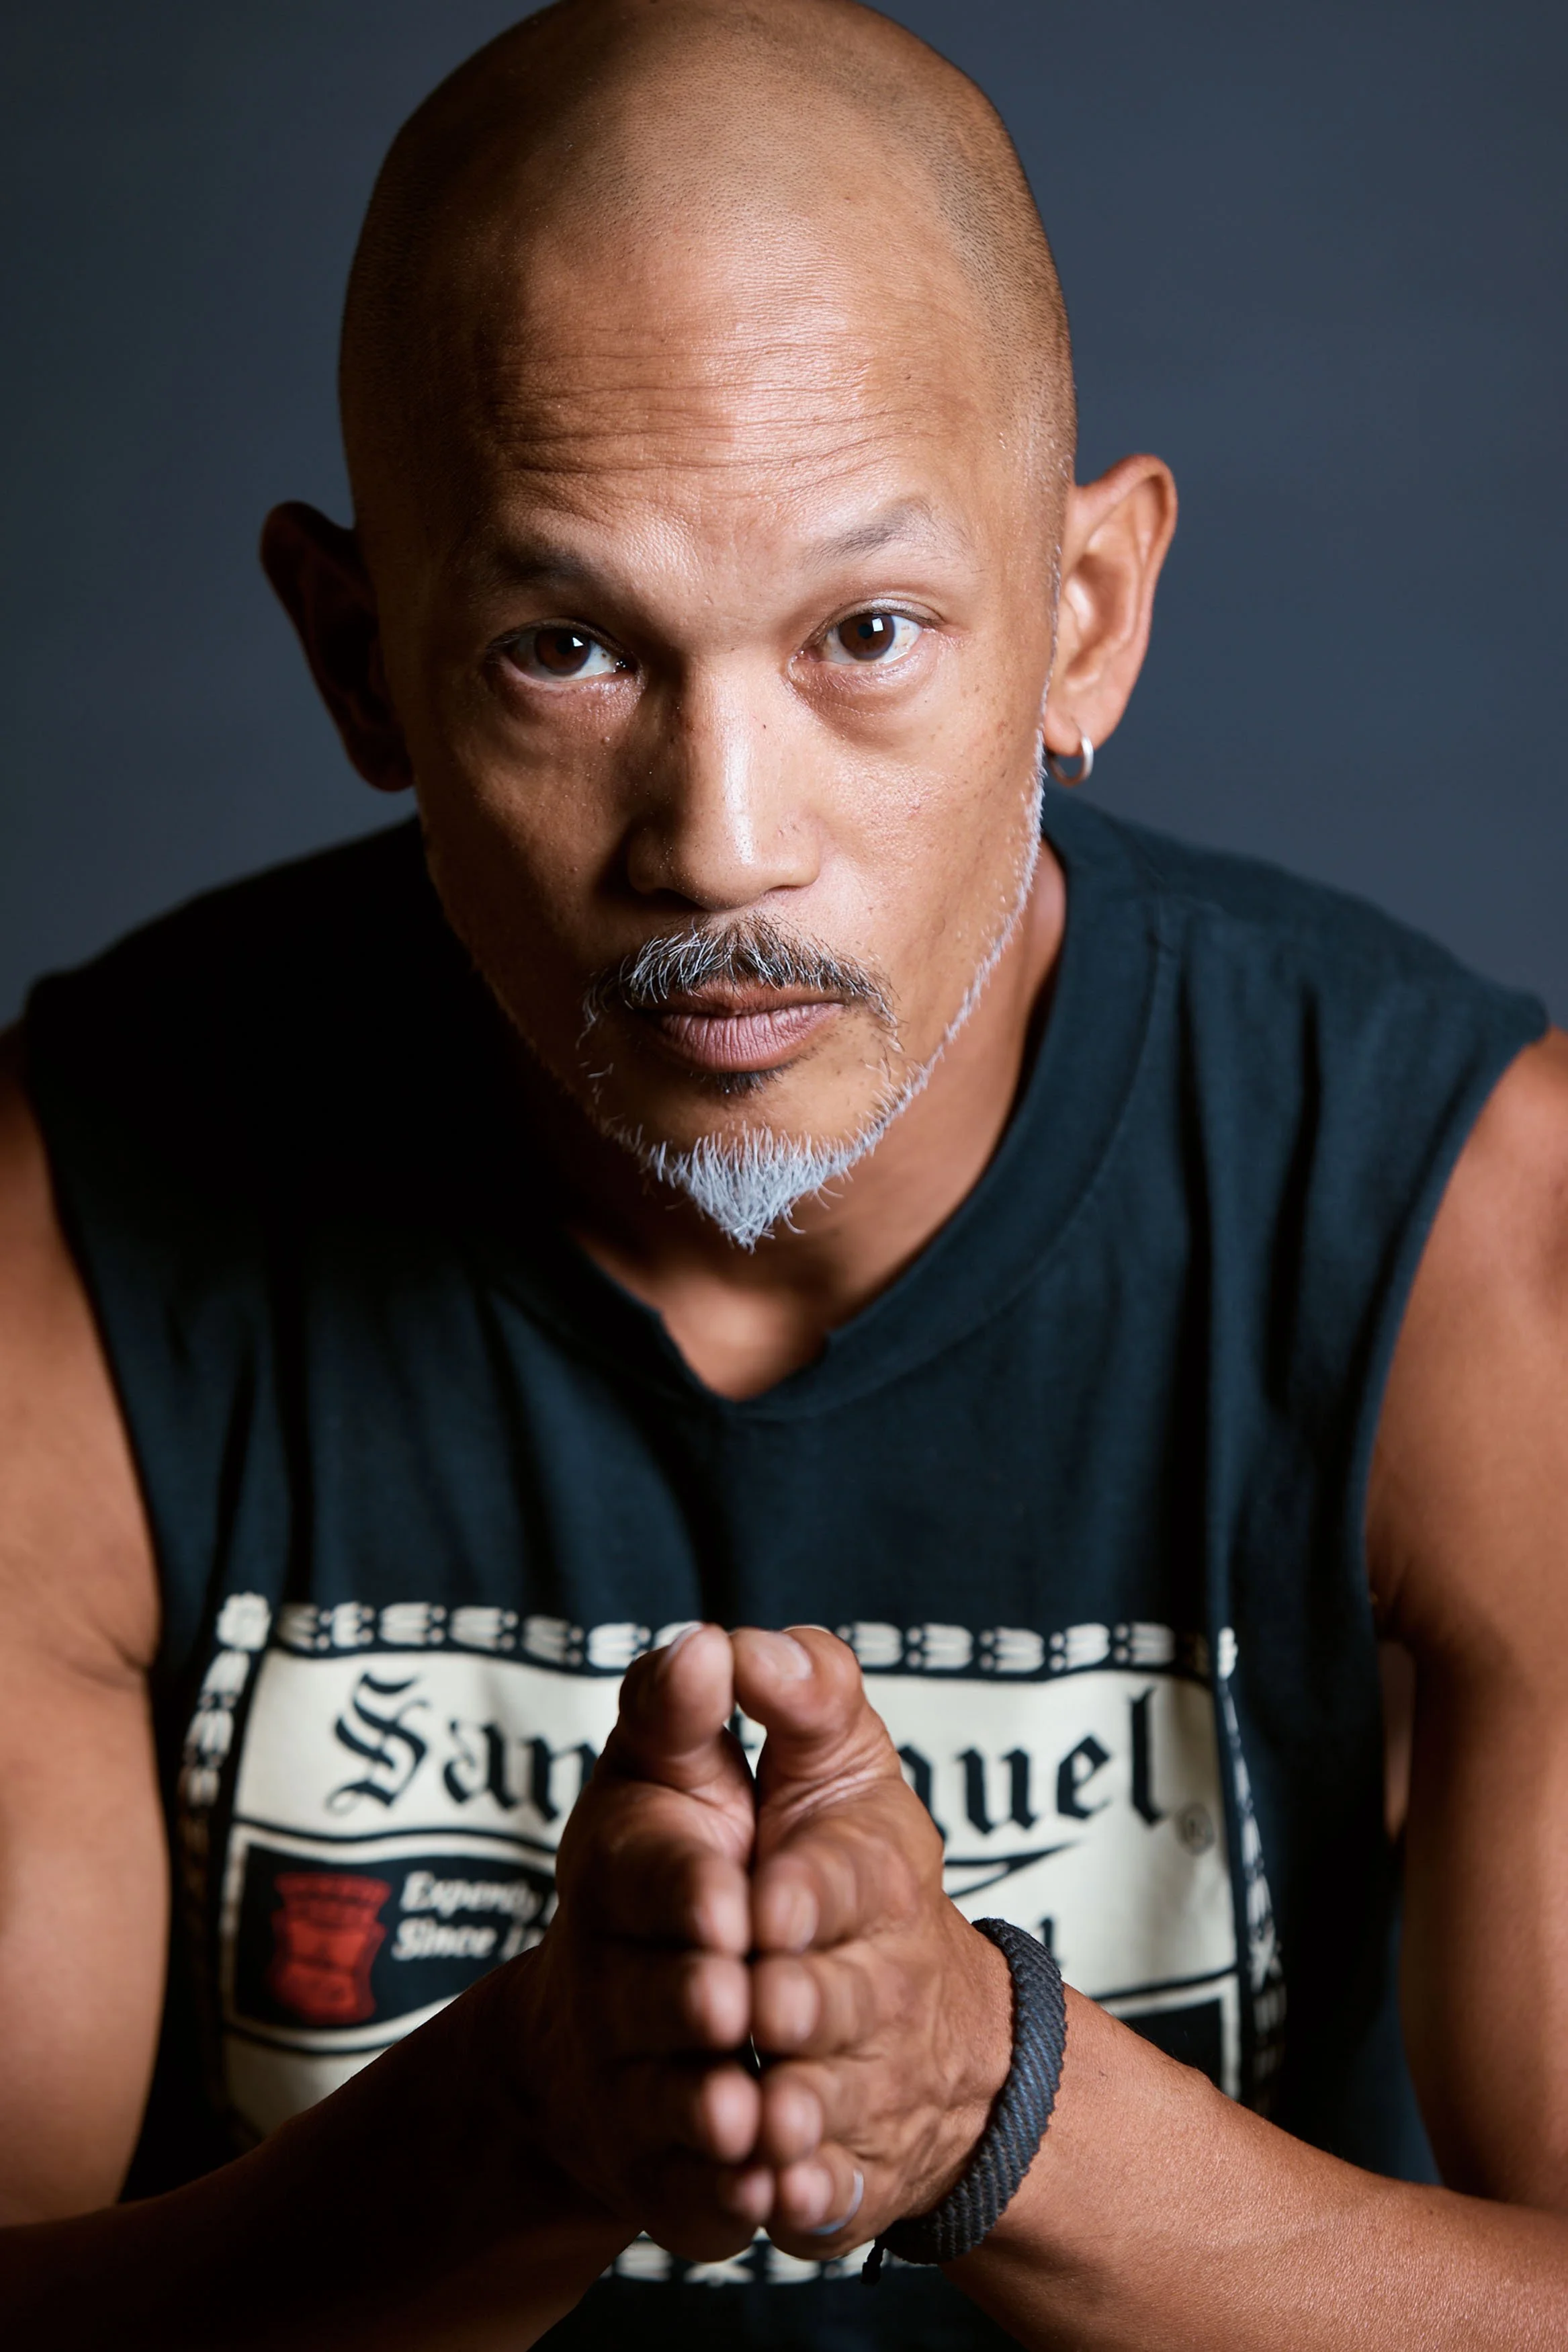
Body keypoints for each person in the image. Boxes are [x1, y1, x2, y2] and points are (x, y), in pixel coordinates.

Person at [3, 0, 1567, 2342]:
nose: (721, 843)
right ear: (357, 658)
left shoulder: (1465, 1226)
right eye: (562, 646)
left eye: (864, 633)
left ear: (1083, 617)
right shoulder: (70, 1221)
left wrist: (1000, 2105)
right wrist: (499, 2131)